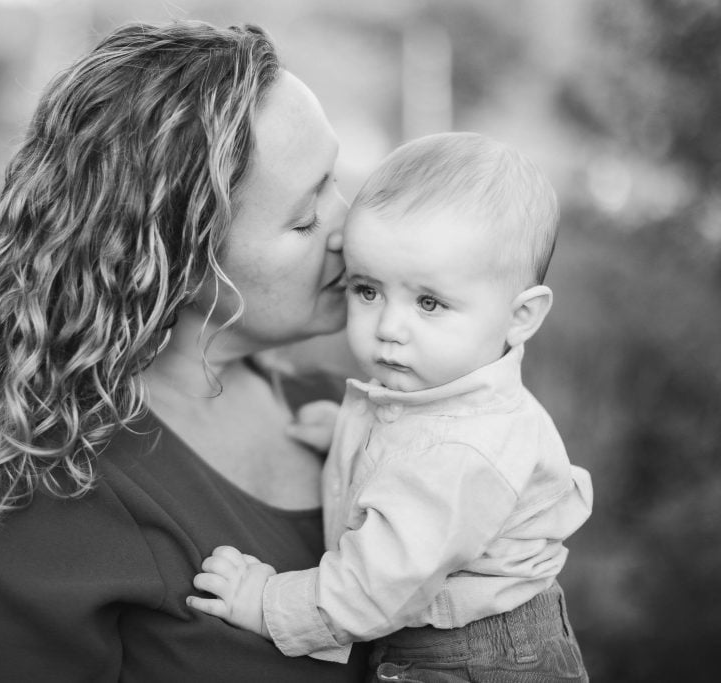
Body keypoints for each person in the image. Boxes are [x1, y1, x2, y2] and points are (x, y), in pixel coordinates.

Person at [0, 19, 371, 682]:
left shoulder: (339, 410)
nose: (349, 224)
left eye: (334, 178)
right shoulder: (31, 491)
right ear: (174, 259)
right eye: (305, 215)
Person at [188, 132, 593, 682]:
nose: (389, 328)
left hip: (476, 660)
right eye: (368, 290)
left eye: (429, 302)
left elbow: (375, 589)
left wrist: (264, 601)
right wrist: (353, 436)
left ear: (520, 317)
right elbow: (413, 461)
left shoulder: (461, 453)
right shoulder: (440, 408)